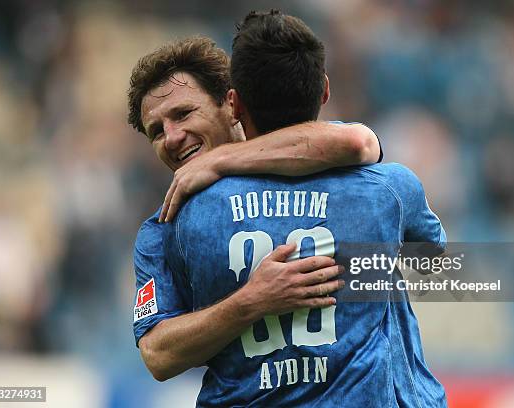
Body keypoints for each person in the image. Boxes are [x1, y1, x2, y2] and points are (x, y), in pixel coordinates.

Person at [161, 10, 447, 407]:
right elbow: (432, 259)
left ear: (234, 103)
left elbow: (163, 348)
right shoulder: (390, 189)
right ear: (325, 90)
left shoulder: (191, 211)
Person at [128, 37, 382, 378]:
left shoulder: (310, 155)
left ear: (230, 104)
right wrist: (252, 301)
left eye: (183, 113)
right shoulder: (163, 230)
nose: (172, 137)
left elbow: (357, 142)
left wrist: (221, 160)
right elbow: (157, 355)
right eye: (156, 131)